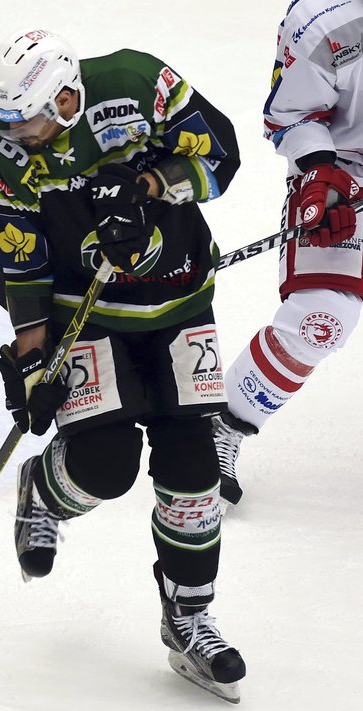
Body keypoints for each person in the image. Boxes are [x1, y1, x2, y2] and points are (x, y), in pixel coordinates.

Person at [0, 29, 246, 701]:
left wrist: (148, 182)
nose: (12, 133)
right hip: (83, 309)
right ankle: (45, 491)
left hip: (178, 296)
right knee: (104, 465)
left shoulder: (137, 83)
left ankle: (188, 615)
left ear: (65, 98)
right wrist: (32, 366)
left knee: (194, 466)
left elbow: (222, 156)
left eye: (23, 118)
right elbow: (23, 267)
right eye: (0, 118)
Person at [212, 0, 363, 506]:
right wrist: (322, 170)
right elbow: (290, 114)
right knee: (322, 317)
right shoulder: (326, 24)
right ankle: (225, 424)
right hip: (346, 171)